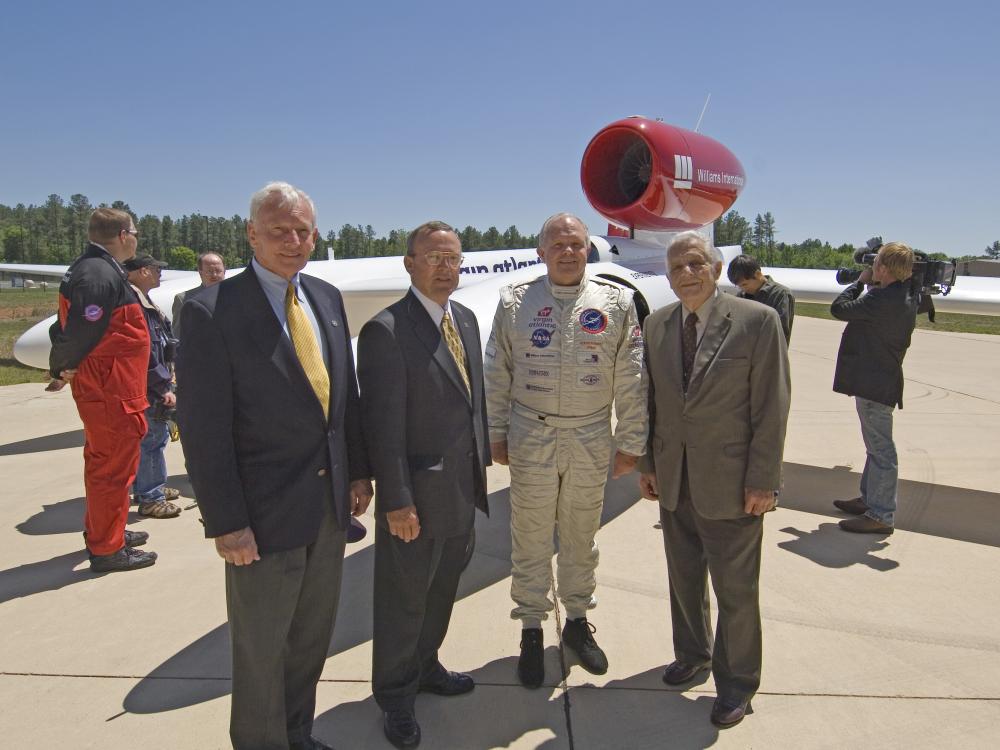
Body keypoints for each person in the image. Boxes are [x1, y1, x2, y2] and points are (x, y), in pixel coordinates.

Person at [176, 182, 371, 750]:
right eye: (279, 230)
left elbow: (343, 398)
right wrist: (226, 522)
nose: (292, 241)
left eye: (303, 231)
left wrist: (357, 472)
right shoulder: (211, 310)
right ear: (251, 234)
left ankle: (297, 736)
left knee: (311, 641)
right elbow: (205, 431)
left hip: (328, 513)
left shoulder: (326, 298)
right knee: (262, 651)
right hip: (260, 521)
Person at [484, 212, 647, 689]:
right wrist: (496, 433)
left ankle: (577, 621)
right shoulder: (515, 303)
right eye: (558, 244)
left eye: (576, 244)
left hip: (591, 436)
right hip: (531, 434)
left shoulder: (616, 302)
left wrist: (631, 442)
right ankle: (532, 629)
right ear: (541, 252)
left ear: (588, 249)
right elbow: (498, 372)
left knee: (580, 534)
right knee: (531, 534)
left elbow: (632, 377)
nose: (568, 252)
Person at [638, 231, 790, 729]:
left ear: (716, 268)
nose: (686, 273)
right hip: (674, 479)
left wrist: (763, 480)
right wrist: (648, 465)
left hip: (733, 483)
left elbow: (772, 406)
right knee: (683, 579)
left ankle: (737, 685)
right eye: (677, 266)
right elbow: (652, 402)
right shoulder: (658, 324)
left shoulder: (756, 321)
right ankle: (693, 654)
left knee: (736, 591)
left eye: (696, 263)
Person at [357, 221, 490, 750]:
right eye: (433, 257)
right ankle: (394, 696)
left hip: (461, 490)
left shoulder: (468, 321)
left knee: (440, 594)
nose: (445, 267)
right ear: (410, 263)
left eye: (453, 259)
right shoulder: (386, 330)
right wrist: (396, 501)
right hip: (414, 500)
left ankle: (427, 666)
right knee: (402, 601)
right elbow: (381, 427)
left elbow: (470, 403)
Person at [49, 208, 156, 572]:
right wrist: (63, 367)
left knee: (113, 465)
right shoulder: (97, 273)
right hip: (111, 391)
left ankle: (110, 531)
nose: (137, 238)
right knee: (112, 469)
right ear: (124, 235)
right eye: (136, 232)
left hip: (116, 387)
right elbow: (79, 330)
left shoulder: (97, 268)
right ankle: (108, 550)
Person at [830, 241, 918, 535]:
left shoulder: (879, 300)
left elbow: (839, 309)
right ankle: (871, 499)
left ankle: (881, 515)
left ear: (882, 268)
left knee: (881, 450)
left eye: (876, 262)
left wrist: (859, 282)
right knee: (875, 447)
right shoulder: (906, 293)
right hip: (883, 380)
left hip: (873, 384)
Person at [124, 253, 183, 519]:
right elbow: (145, 352)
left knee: (148, 438)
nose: (160, 274)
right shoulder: (134, 303)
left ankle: (145, 485)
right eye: (155, 269)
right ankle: (151, 496)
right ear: (141, 272)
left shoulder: (141, 300)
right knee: (153, 440)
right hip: (150, 387)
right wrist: (163, 387)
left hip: (149, 383)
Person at [726, 254, 795, 342]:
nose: (743, 289)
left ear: (758, 274)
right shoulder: (741, 296)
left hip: (769, 353)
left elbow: (779, 332)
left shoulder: (781, 294)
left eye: (745, 284)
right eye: (739, 286)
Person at [171, 251, 225, 339]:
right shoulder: (184, 299)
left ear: (224, 271)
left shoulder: (236, 297)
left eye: (218, 271)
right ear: (200, 272)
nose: (214, 275)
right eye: (209, 271)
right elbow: (178, 336)